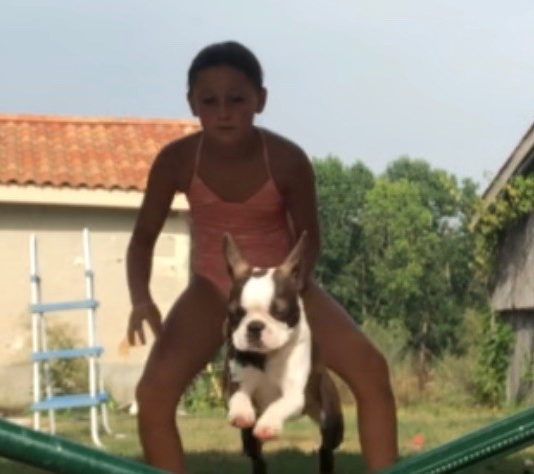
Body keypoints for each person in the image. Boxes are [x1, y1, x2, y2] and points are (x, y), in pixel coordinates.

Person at [126, 40, 398, 474]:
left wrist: (294, 292)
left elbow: (309, 239)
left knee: (371, 370)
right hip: (213, 288)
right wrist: (141, 299)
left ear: (261, 100)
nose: (223, 112)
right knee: (153, 393)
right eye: (209, 101)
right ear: (191, 103)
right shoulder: (176, 161)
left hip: (284, 290)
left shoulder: (288, 160)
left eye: (236, 99)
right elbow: (142, 240)